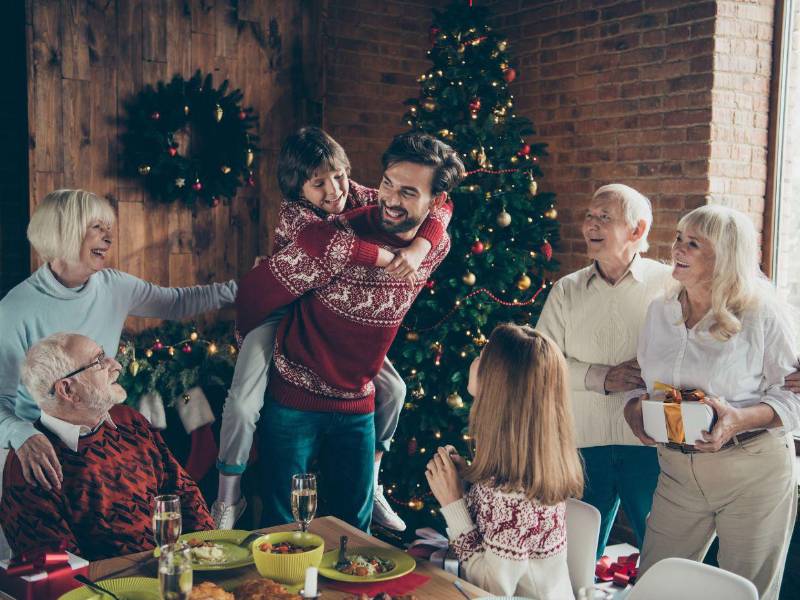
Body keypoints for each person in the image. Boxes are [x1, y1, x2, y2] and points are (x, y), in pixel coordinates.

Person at [214, 127, 450, 532]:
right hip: (274, 304)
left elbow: (444, 207)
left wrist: (420, 246)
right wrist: (389, 257)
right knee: (242, 403)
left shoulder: (365, 197)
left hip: (349, 377)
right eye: (318, 183)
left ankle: (374, 481)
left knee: (394, 390)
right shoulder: (297, 215)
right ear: (297, 187)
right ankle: (226, 499)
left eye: (338, 176)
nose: (333, 189)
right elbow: (329, 245)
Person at [0, 189, 237, 492]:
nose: (108, 237)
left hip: (96, 437)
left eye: (108, 228)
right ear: (63, 230)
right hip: (39, 447)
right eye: (96, 227)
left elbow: (178, 302)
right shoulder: (15, 309)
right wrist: (22, 436)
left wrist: (247, 288)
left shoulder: (114, 286)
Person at [624, 205, 799, 600]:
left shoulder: (763, 315)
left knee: (745, 591)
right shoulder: (659, 312)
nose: (677, 249)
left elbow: (794, 396)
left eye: (693, 244)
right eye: (678, 239)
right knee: (654, 586)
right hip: (677, 471)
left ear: (724, 255)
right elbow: (641, 380)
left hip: (753, 473)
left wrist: (738, 419)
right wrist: (634, 407)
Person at [535, 184, 672, 556]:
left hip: (651, 446)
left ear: (637, 230)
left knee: (662, 554)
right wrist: (600, 376)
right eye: (590, 216)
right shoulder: (565, 290)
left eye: (604, 218)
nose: (591, 226)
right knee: (576, 555)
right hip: (583, 445)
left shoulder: (671, 285)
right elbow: (541, 362)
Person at [0, 333, 214, 560]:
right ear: (68, 390)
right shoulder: (32, 467)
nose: (116, 366)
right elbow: (61, 572)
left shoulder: (130, 420)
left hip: (176, 568)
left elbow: (183, 491)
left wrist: (209, 552)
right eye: (99, 361)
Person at [426, 324, 583, 599]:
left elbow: (488, 591)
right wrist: (470, 479)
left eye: (483, 356)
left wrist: (453, 504)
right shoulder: (512, 472)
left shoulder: (514, 497)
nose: (475, 360)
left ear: (499, 386)